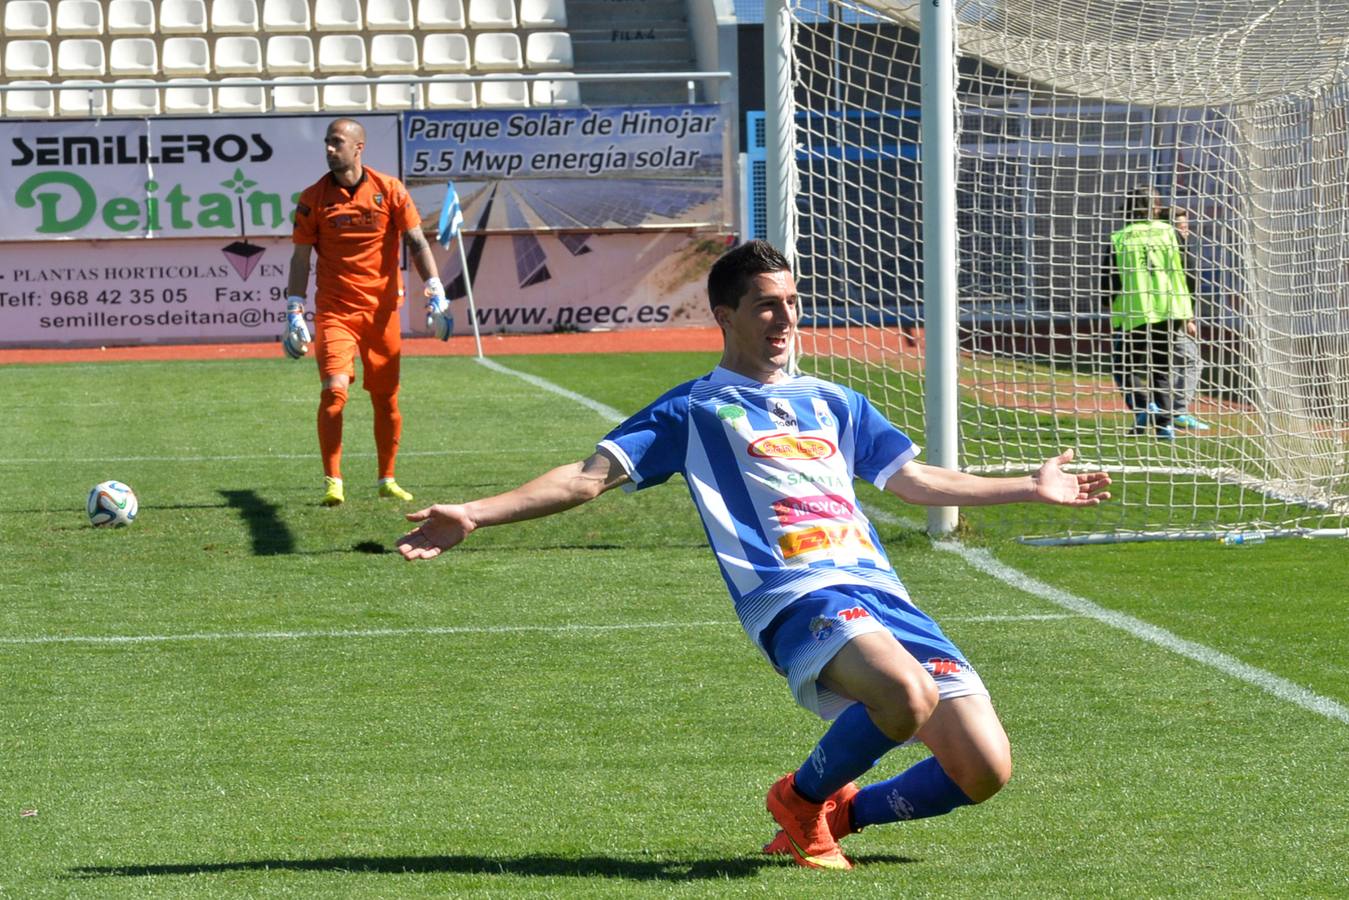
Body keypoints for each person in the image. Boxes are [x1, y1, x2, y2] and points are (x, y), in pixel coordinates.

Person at [396, 240, 1111, 871]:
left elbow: (912, 480)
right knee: (904, 694)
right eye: (767, 305)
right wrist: (474, 513)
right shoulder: (694, 409)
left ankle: (839, 817)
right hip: (796, 596)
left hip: (882, 595)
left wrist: (1028, 485)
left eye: (794, 302)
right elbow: (587, 478)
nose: (786, 319)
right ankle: (799, 802)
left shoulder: (834, 400)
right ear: (726, 315)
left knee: (981, 770)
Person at [284, 117, 454, 506]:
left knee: (386, 399)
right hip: (335, 312)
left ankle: (387, 478)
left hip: (381, 312)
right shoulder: (312, 198)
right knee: (334, 393)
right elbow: (300, 257)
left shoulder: (389, 189)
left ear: (358, 148)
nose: (329, 149)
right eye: (327, 142)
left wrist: (434, 288)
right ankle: (333, 482)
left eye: (337, 142)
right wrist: (294, 307)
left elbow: (415, 240)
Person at [1102, 187, 1191, 440]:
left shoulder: (1120, 238)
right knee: (1162, 368)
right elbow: (1187, 269)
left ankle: (1143, 406)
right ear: (1154, 208)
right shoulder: (1169, 232)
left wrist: (1106, 302)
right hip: (1170, 309)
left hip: (1136, 311)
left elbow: (1110, 279)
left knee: (1123, 366)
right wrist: (1189, 310)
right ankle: (1165, 427)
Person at [1165, 207, 1211, 430]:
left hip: (1166, 317)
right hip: (1171, 318)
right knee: (1193, 360)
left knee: (1172, 363)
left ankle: (1164, 411)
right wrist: (1188, 319)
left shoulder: (1176, 249)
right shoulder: (1175, 252)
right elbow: (1179, 287)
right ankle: (1177, 412)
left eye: (1186, 225)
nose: (1186, 229)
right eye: (1181, 225)